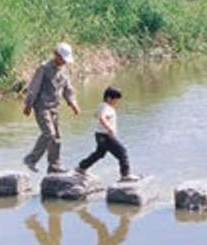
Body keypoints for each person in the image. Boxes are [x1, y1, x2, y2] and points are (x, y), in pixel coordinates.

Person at [23, 42, 81, 174]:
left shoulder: (64, 71)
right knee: (49, 134)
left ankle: (54, 165)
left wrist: (73, 103)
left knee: (56, 138)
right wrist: (28, 104)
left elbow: (68, 89)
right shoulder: (44, 68)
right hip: (42, 107)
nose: (64, 62)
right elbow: (34, 87)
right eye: (63, 59)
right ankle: (30, 160)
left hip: (54, 108)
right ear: (56, 55)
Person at [75, 87, 139, 182]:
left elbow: (96, 115)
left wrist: (105, 124)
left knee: (99, 154)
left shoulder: (101, 105)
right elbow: (101, 117)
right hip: (105, 136)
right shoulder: (106, 107)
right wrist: (110, 129)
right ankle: (125, 175)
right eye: (115, 100)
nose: (116, 103)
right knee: (122, 152)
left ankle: (81, 168)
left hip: (99, 135)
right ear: (109, 98)